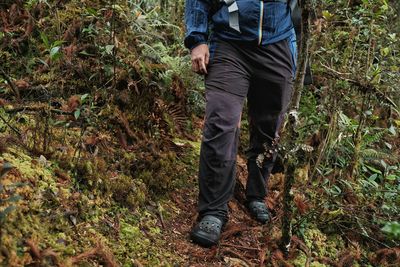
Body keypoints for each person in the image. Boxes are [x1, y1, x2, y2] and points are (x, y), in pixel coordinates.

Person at [184, 0, 297, 247]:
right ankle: (213, 211)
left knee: (269, 127)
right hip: (229, 43)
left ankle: (256, 192)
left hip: (277, 42)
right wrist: (197, 39)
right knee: (221, 122)